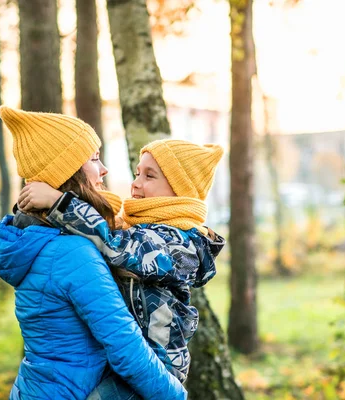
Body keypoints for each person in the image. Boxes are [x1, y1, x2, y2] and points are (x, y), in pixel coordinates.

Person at [0, 106, 187, 400]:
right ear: (67, 172)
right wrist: (175, 395)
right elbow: (124, 346)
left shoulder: (35, 237)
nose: (104, 169)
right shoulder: (72, 252)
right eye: (94, 159)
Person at [17, 139, 226, 384]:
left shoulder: (182, 243)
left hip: (157, 366)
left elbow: (117, 247)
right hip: (125, 359)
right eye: (137, 173)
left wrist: (57, 202)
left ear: (180, 189)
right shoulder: (136, 228)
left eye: (149, 176)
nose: (135, 183)